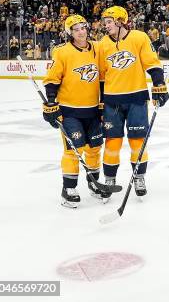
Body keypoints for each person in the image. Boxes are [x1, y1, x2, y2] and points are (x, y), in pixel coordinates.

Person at [97, 6, 169, 201]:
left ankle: (139, 176)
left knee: (138, 141)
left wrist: (159, 84)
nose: (106, 25)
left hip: (136, 98)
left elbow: (152, 63)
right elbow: (101, 77)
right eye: (105, 22)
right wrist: (100, 102)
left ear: (120, 21)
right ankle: (109, 179)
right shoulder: (102, 44)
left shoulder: (139, 37)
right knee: (112, 142)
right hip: (112, 100)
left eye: (109, 21)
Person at [42, 14, 106, 208]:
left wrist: (103, 103)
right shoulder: (62, 52)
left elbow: (102, 79)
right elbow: (52, 80)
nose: (81, 31)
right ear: (70, 32)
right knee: (73, 149)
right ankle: (68, 188)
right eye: (76, 29)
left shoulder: (97, 48)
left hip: (93, 110)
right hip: (70, 111)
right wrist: (51, 103)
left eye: (83, 27)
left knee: (94, 149)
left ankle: (94, 183)